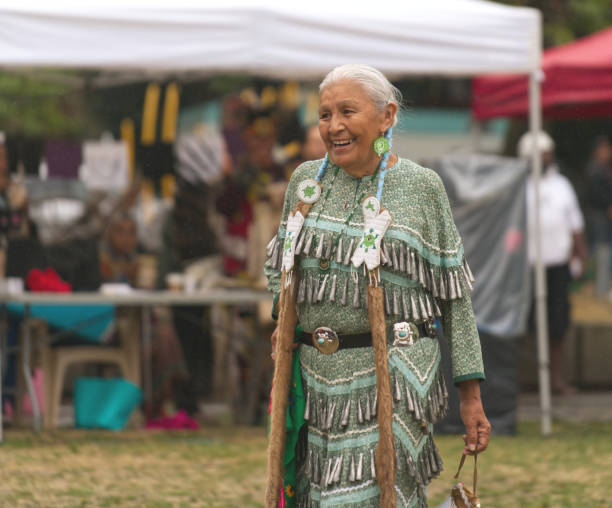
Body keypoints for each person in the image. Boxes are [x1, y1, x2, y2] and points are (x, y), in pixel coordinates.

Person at [265, 64, 489, 507]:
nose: (335, 126)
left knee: (374, 496)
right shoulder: (305, 184)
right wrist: (283, 324)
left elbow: (455, 298)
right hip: (315, 383)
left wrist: (471, 396)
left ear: (387, 116)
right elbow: (281, 269)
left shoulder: (422, 187)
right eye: (325, 115)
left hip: (395, 377)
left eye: (348, 111)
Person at [519, 130, 587, 396]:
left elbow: (575, 224)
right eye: (541, 154)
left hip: (557, 267)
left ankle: (556, 380)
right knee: (524, 326)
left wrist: (580, 254)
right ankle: (525, 381)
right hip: (524, 269)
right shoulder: (518, 185)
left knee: (557, 326)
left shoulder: (562, 184)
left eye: (548, 153)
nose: (547, 158)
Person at [585, 135, 612, 296]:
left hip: (604, 214)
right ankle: (601, 288)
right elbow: (595, 193)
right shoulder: (594, 169)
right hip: (599, 215)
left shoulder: (605, 168)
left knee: (605, 250)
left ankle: (603, 285)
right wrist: (607, 205)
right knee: (601, 250)